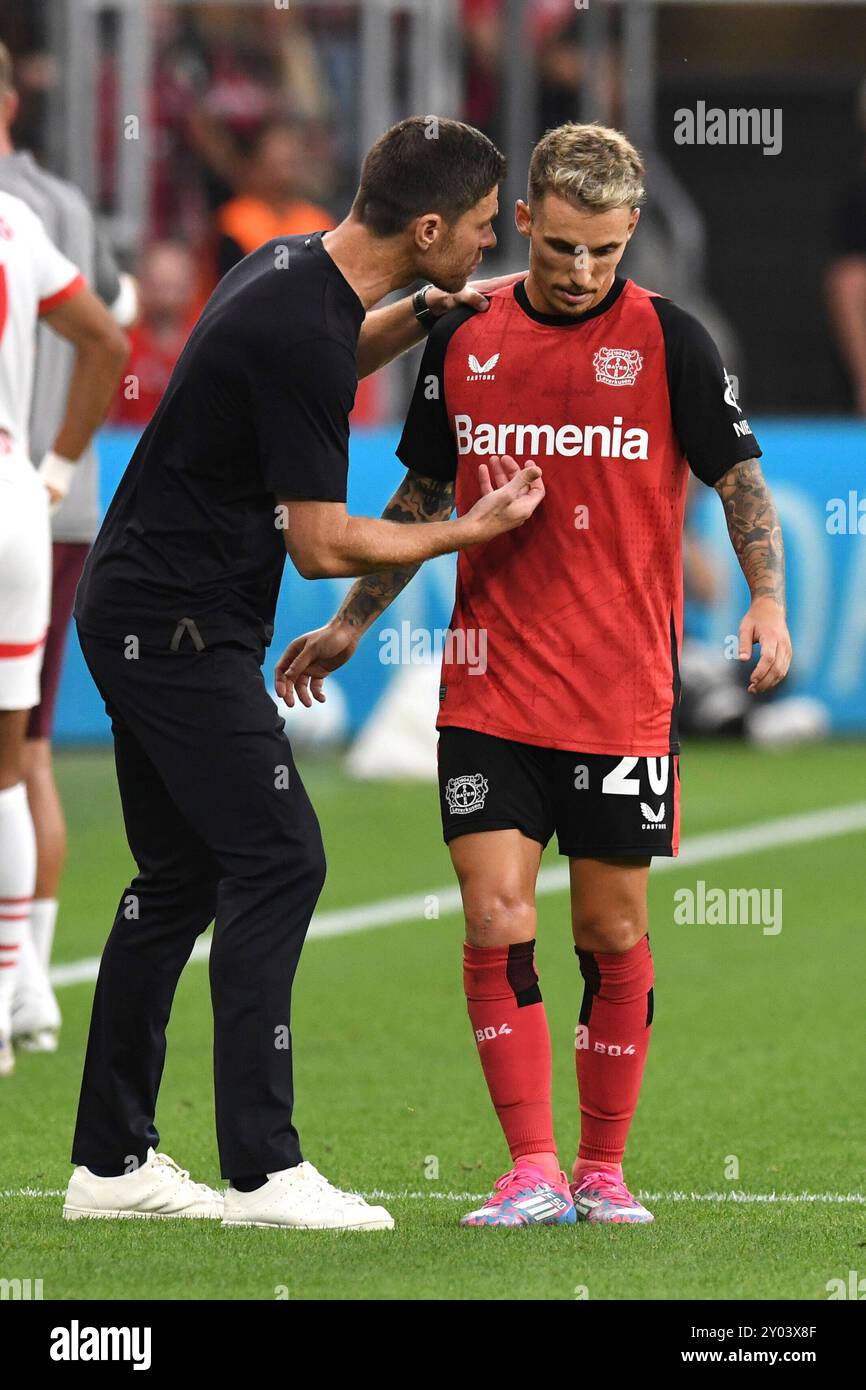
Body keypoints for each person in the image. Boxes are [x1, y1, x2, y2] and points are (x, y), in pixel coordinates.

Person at [279, 122, 793, 1228]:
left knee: (609, 933)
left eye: (604, 251)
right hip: (490, 689)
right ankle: (530, 1166)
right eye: (561, 246)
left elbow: (738, 480)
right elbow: (420, 498)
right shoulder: (462, 338)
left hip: (617, 696)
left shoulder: (672, 342)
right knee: (493, 912)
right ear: (523, 221)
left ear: (630, 235)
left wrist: (764, 600)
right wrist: (350, 625)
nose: (580, 271)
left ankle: (603, 1170)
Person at [64, 116, 543, 1231]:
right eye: (475, 232)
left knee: (177, 881)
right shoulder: (298, 331)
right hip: (177, 630)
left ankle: (110, 1161)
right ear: (424, 225)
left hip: (146, 612)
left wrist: (426, 314)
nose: (483, 248)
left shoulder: (296, 272)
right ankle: (265, 1172)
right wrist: (465, 530)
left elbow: (337, 348)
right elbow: (322, 543)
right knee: (279, 860)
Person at [0, 40, 137, 1053]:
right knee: (20, 756)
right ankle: (22, 992)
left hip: (36, 489)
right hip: (37, 501)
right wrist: (51, 469)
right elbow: (115, 320)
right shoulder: (40, 209)